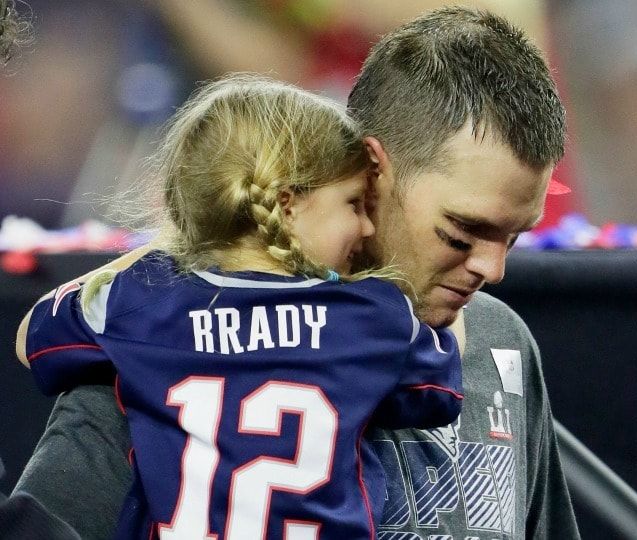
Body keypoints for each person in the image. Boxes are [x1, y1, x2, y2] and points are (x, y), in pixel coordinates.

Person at [14, 7, 581, 539]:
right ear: (369, 170)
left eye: (514, 236)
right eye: (461, 233)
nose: (493, 268)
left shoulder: (500, 339)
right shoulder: (160, 348)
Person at [17, 74, 464, 539]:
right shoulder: (372, 315)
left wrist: (174, 244)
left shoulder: (142, 300)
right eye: (354, 203)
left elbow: (29, 338)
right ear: (286, 205)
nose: (368, 228)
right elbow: (445, 383)